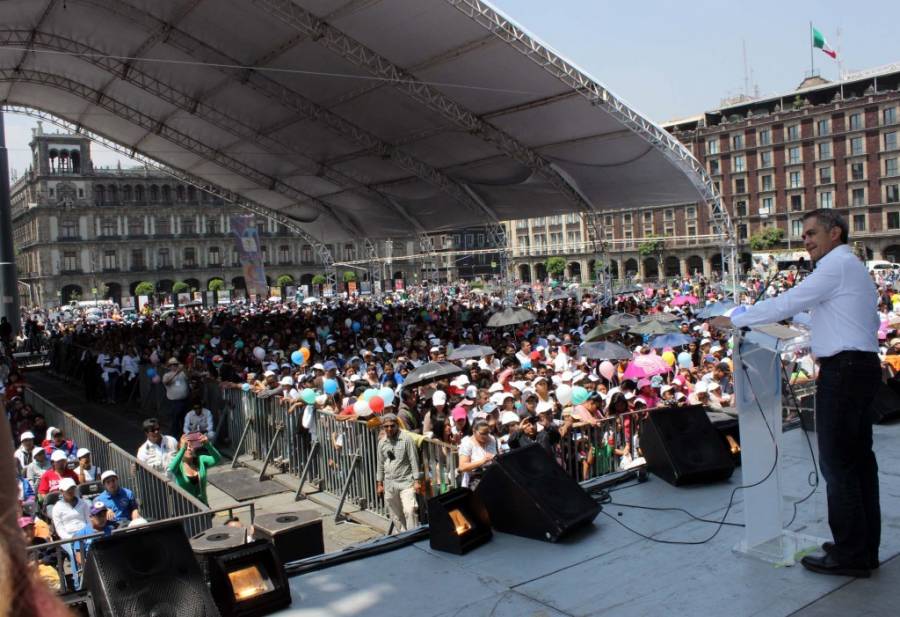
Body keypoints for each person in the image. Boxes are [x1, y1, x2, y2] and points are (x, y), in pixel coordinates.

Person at [713, 209, 881, 578]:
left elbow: (788, 301)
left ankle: (850, 554)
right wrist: (794, 320)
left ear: (835, 233)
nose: (805, 241)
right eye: (804, 235)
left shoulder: (834, 266)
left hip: (844, 372)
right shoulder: (851, 267)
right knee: (858, 462)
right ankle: (863, 547)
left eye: (811, 233)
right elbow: (839, 317)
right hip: (861, 368)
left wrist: (736, 319)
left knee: (838, 465)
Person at [374, 413, 423, 532]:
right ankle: (403, 536)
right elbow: (380, 464)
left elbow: (413, 460)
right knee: (396, 515)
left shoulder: (407, 439)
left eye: (392, 426)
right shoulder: (382, 442)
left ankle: (413, 535)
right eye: (386, 426)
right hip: (389, 484)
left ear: (397, 425)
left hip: (406, 482)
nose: (389, 429)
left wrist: (417, 480)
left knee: (410, 510)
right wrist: (379, 484)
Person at [168, 433, 222, 505]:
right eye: (186, 446)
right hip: (185, 507)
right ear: (180, 449)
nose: (189, 448)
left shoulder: (201, 459)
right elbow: (171, 468)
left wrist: (207, 444)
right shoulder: (178, 465)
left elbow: (217, 459)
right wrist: (183, 449)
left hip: (203, 506)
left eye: (191, 446)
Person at [457, 420, 498, 489]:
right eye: (482, 433)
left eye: (487, 433)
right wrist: (483, 461)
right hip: (474, 482)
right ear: (474, 431)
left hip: (492, 478)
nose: (486, 436)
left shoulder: (492, 439)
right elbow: (462, 467)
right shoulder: (467, 443)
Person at [162, 357, 191, 435]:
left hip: (184, 400)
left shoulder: (182, 373)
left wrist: (184, 369)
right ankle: (175, 435)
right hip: (174, 401)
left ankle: (184, 435)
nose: (174, 366)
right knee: (175, 419)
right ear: (170, 366)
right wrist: (176, 373)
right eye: (173, 365)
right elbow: (166, 382)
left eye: (176, 364)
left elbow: (189, 377)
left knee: (184, 419)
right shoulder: (167, 375)